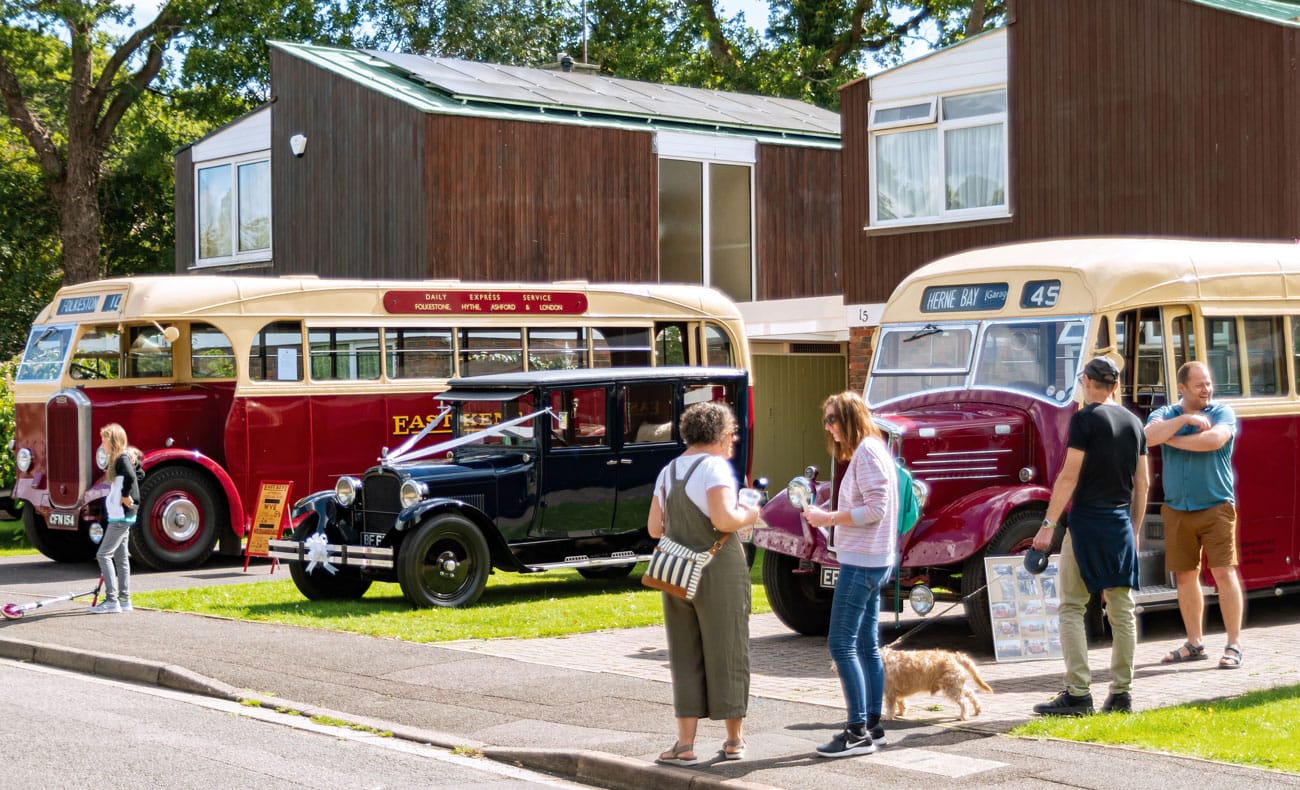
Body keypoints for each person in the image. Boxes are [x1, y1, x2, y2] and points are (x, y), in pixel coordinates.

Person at [1031, 356, 1149, 716]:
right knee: (1122, 610)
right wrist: (1136, 530)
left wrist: (1047, 526)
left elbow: (1068, 476)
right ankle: (1122, 694)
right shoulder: (1133, 422)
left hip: (1085, 524)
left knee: (1071, 606)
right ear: (1114, 385)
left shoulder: (1084, 419)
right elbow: (1141, 484)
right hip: (1119, 525)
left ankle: (1079, 693)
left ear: (1087, 381)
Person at [647, 401, 760, 765]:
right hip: (716, 570)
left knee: (684, 654)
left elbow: (653, 528)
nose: (735, 440)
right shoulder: (716, 467)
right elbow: (725, 520)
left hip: (676, 572)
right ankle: (733, 741)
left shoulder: (669, 470)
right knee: (727, 650)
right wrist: (752, 512)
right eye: (733, 433)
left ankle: (684, 744)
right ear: (722, 435)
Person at [803, 391, 897, 757]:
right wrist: (828, 513)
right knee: (865, 645)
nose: (828, 427)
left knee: (840, 644)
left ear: (852, 418)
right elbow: (869, 505)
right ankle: (873, 725)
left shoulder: (867, 453)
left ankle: (856, 731)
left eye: (833, 419)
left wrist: (829, 518)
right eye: (825, 420)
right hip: (872, 559)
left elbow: (876, 508)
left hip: (862, 562)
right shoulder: (872, 450)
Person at [1145, 361, 1244, 669]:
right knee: (1185, 577)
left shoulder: (1221, 412)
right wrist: (1186, 419)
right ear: (1182, 389)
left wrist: (1171, 439)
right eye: (1200, 385)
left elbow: (1213, 440)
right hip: (1177, 509)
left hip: (1216, 506)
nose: (1207, 390)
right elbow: (1147, 436)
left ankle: (1233, 645)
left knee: (1224, 573)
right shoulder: (1166, 414)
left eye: (1209, 384)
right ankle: (1195, 643)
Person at [89, 423, 141, 615]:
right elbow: (139, 473)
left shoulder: (121, 458)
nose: (102, 444)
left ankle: (112, 600)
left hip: (120, 516)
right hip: (121, 515)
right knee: (121, 558)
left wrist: (126, 495)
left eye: (104, 440)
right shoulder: (123, 457)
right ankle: (124, 600)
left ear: (113, 441)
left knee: (103, 555)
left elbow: (129, 475)